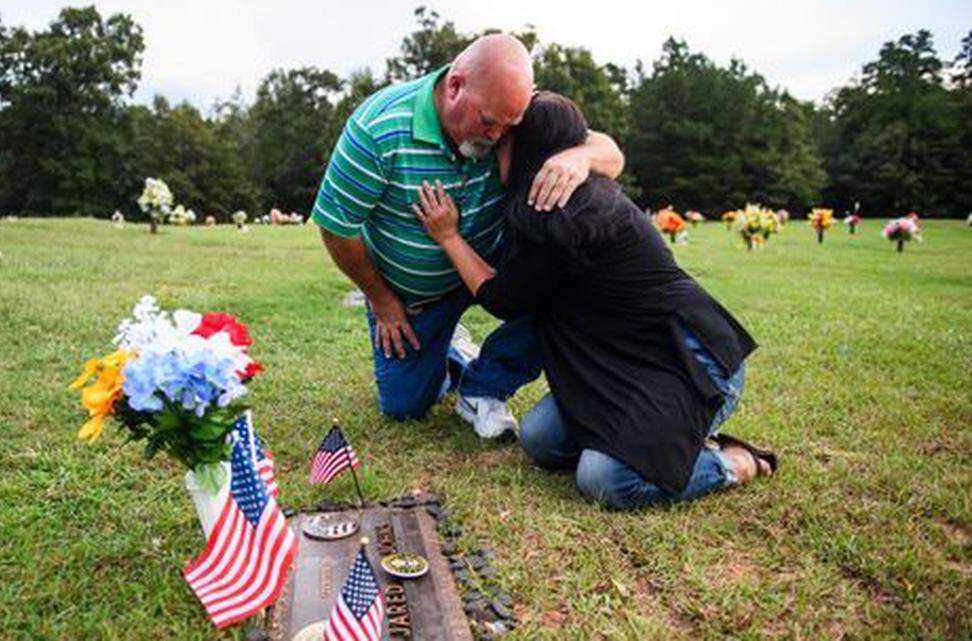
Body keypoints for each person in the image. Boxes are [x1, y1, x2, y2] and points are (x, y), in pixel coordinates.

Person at [413, 92, 776, 509]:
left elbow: (503, 300)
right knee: (540, 440)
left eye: (502, 144)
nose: (494, 153)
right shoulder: (565, 193)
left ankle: (735, 463)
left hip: (689, 363)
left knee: (606, 479)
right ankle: (653, 441)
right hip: (617, 366)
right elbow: (586, 135)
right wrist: (582, 154)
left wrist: (448, 237)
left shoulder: (558, 217)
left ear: (528, 149)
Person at [311, 35, 624, 437]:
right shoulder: (377, 128)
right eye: (489, 121)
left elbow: (611, 152)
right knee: (405, 407)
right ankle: (452, 347)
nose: (497, 136)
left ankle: (484, 385)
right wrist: (382, 300)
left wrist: (580, 155)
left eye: (509, 127)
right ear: (455, 86)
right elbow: (337, 229)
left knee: (565, 289)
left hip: (494, 261)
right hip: (413, 296)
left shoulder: (512, 106)